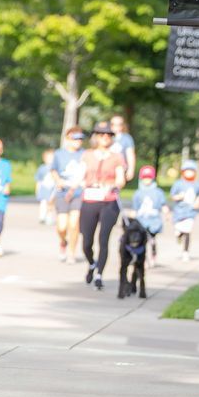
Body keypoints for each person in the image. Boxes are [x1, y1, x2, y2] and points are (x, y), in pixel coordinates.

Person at [80, 122, 126, 290]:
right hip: (90, 199)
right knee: (86, 241)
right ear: (96, 137)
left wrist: (113, 184)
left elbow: (121, 179)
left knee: (104, 239)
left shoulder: (116, 157)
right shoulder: (88, 155)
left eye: (108, 135)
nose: (104, 138)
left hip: (108, 201)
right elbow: (81, 174)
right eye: (101, 135)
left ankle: (99, 274)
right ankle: (92, 263)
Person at [50, 127, 86, 263]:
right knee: (62, 226)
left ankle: (72, 252)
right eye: (75, 138)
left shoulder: (85, 154)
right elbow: (53, 170)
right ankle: (63, 241)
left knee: (74, 223)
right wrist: (58, 180)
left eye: (80, 138)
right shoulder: (59, 154)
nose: (78, 141)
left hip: (78, 193)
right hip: (62, 193)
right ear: (68, 139)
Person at [130, 165, 169, 268]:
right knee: (142, 242)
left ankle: (153, 256)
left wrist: (167, 214)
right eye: (145, 178)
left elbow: (163, 205)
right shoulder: (138, 193)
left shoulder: (158, 192)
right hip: (141, 221)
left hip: (154, 221)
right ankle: (144, 259)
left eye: (149, 178)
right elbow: (135, 208)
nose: (147, 180)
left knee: (152, 240)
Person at [170, 159, 199, 261]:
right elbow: (172, 196)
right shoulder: (178, 184)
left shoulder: (197, 184)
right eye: (187, 170)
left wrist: (198, 202)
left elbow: (198, 196)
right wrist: (178, 197)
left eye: (191, 171)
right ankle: (179, 234)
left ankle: (185, 252)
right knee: (180, 230)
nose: (189, 173)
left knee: (188, 231)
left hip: (190, 212)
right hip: (179, 211)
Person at [110, 115, 136, 181]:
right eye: (113, 124)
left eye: (119, 124)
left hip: (120, 169)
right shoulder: (106, 137)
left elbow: (130, 155)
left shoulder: (127, 138)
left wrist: (131, 170)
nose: (116, 127)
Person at [35, 149, 56, 225]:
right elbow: (39, 180)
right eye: (48, 158)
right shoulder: (42, 168)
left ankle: (49, 217)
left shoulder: (56, 168)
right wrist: (37, 189)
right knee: (43, 203)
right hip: (44, 189)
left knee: (51, 204)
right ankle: (42, 216)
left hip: (53, 189)